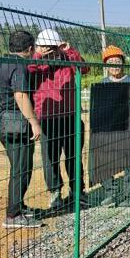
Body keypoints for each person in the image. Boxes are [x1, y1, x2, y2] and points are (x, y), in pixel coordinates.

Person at [29, 28, 88, 210]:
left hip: (71, 116)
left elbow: (84, 68)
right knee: (50, 159)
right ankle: (55, 192)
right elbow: (28, 69)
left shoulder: (67, 59)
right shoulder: (36, 63)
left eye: (53, 47)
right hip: (47, 118)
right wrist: (39, 55)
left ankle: (77, 191)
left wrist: (69, 51)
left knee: (73, 156)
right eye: (47, 47)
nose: (51, 51)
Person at [0, 30, 43, 229]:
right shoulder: (19, 65)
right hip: (14, 121)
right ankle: (13, 215)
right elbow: (20, 95)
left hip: (3, 119)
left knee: (20, 166)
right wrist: (34, 122)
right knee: (21, 168)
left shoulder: (3, 62)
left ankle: (18, 206)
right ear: (30, 48)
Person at [89, 45, 130, 207]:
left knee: (129, 163)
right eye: (111, 62)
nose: (115, 65)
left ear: (123, 63)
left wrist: (125, 98)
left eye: (118, 61)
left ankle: (129, 196)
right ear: (106, 65)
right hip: (109, 129)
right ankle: (110, 194)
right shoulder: (103, 83)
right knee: (105, 160)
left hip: (129, 128)